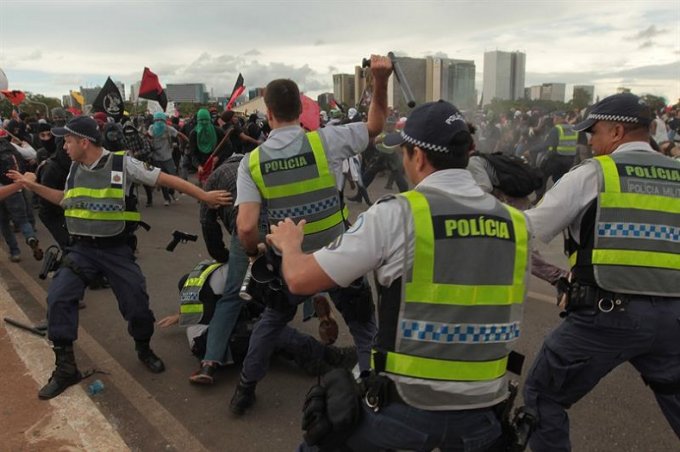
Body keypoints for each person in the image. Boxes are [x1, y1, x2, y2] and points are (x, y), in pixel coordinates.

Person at [267, 100, 531, 451]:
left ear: (418, 157)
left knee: (318, 441)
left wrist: (290, 245)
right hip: (484, 415)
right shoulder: (516, 223)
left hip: (407, 409)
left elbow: (300, 279)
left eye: (404, 154)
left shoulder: (398, 215)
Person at [8, 116, 232, 400]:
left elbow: (166, 178)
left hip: (115, 250)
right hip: (82, 250)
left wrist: (204, 196)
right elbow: (66, 199)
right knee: (59, 298)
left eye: (67, 140)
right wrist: (32, 186)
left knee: (136, 304)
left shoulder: (122, 164)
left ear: (84, 142)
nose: (63, 145)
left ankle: (143, 347)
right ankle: (65, 368)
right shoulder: (74, 168)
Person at [230, 55, 392, 415]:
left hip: (290, 262)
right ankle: (370, 397)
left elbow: (245, 226)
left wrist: (256, 251)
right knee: (364, 328)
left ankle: (244, 388)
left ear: (269, 114)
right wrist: (379, 80)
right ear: (299, 109)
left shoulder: (251, 163)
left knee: (270, 324)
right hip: (339, 255)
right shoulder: (325, 141)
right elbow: (376, 124)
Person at [521, 93, 680, 451]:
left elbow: (527, 230)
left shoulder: (594, 175)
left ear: (618, 132)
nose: (590, 142)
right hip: (674, 319)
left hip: (607, 316)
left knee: (543, 396)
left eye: (594, 133)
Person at [147, 112, 188, 206]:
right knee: (162, 179)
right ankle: (167, 198)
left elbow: (179, 134)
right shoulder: (152, 128)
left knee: (172, 176)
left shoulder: (168, 129)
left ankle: (171, 190)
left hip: (167, 157)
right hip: (156, 157)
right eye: (157, 120)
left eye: (160, 120)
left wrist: (189, 142)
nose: (159, 122)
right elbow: (148, 136)